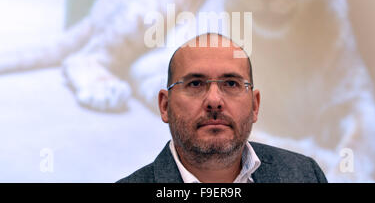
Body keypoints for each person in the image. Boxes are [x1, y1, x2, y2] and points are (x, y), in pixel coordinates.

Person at [117, 33, 327, 183]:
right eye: (196, 84)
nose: (214, 100)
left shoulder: (304, 175)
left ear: (255, 106)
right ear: (165, 106)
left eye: (231, 84)